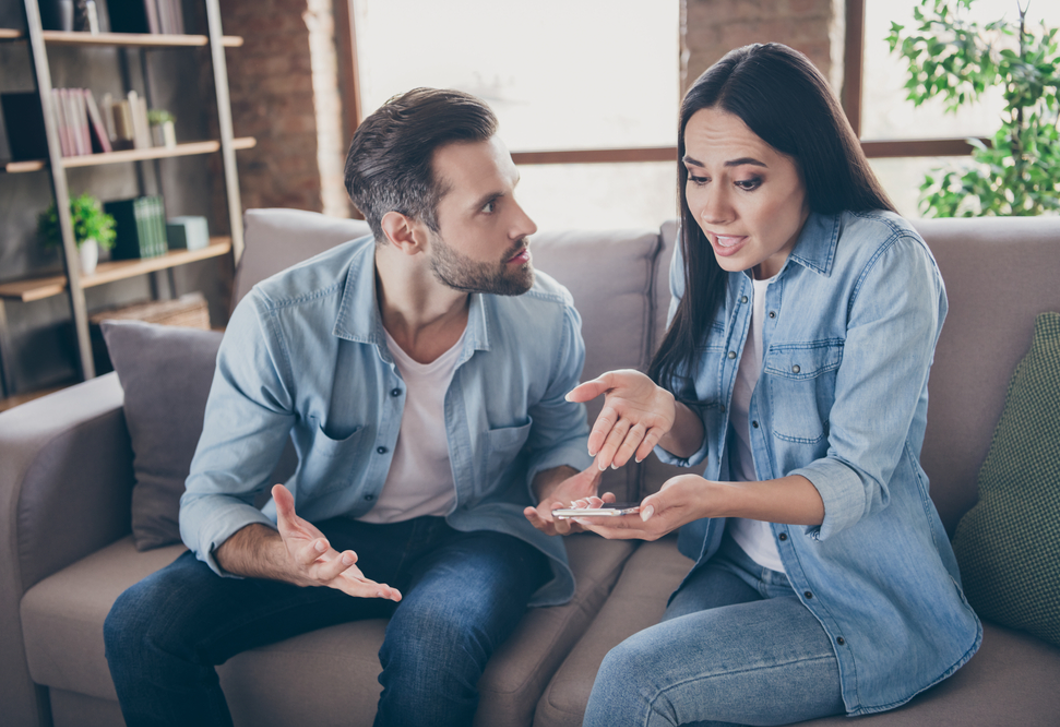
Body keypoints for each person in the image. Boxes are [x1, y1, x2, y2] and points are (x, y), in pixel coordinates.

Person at [103, 87, 602, 727]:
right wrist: (285, 558)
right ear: (405, 231)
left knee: (435, 643)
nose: (525, 222)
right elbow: (211, 499)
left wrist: (563, 489)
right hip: (335, 530)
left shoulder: (547, 315)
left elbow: (559, 441)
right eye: (490, 206)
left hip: (479, 531)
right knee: (141, 623)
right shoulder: (280, 320)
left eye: (514, 190)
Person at [565, 43, 982, 726]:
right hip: (735, 569)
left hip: (859, 596)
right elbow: (702, 430)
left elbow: (857, 477)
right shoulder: (703, 259)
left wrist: (709, 498)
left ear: (809, 168)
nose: (714, 209)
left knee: (635, 679)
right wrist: (665, 409)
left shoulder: (883, 261)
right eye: (696, 176)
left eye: (747, 180)